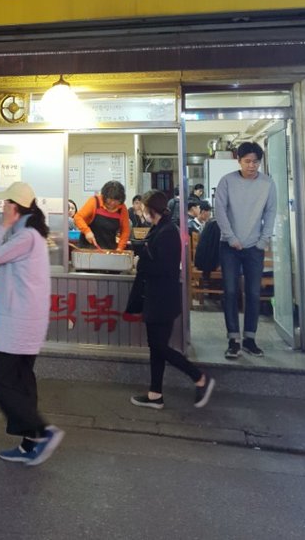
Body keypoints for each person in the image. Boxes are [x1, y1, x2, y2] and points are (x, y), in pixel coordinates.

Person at [0, 181, 64, 466]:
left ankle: (43, 432)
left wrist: (2, 226)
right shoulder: (31, 235)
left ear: (16, 207)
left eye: (6, 202)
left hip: (18, 323)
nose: (2, 207)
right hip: (25, 321)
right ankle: (29, 444)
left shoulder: (26, 237)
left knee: (1, 380)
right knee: (21, 381)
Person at [126, 189, 215, 410]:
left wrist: (140, 262)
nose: (142, 212)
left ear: (151, 210)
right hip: (158, 297)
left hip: (161, 298)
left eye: (144, 208)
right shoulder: (162, 228)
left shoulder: (167, 232)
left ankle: (199, 377)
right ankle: (155, 394)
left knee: (158, 346)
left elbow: (163, 268)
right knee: (156, 347)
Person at [214, 141, 277, 359]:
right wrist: (231, 237)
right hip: (229, 247)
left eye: (256, 162)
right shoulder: (227, 181)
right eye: (247, 161)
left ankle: (250, 338)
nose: (252, 166)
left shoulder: (267, 183)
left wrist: (263, 240)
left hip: (254, 247)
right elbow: (220, 211)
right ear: (238, 161)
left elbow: (270, 212)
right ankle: (233, 340)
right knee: (231, 292)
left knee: (253, 293)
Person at [73, 180, 130, 250]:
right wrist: (87, 231)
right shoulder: (95, 201)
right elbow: (78, 217)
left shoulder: (122, 208)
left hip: (109, 248)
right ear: (104, 197)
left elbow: (125, 231)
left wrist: (120, 248)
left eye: (116, 201)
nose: (112, 203)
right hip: (87, 247)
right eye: (110, 200)